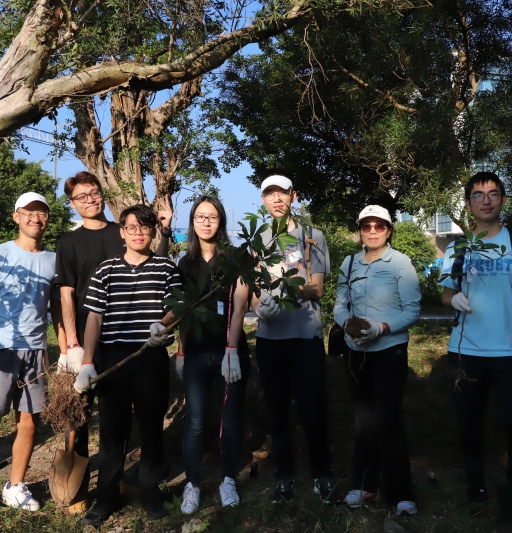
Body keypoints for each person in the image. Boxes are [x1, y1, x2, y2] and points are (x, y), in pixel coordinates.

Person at [439, 172, 512, 504]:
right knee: (469, 422)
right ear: (469, 202)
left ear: (502, 199)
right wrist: (452, 299)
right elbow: (446, 293)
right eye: (477, 194)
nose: (486, 200)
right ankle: (477, 484)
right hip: (466, 349)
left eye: (493, 193)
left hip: (511, 348)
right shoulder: (458, 246)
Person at [73, 204, 181, 527]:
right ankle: (106, 496)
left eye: (144, 228)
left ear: (152, 232)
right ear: (122, 232)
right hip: (113, 359)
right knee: (111, 432)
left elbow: (176, 307)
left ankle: (149, 492)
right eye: (131, 227)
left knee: (151, 428)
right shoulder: (105, 270)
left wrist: (163, 325)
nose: (138, 233)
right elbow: (94, 317)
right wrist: (88, 362)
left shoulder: (166, 267)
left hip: (150, 357)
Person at [0, 192, 63, 530]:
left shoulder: (53, 260)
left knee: (30, 423)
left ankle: (14, 485)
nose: (36, 218)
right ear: (16, 216)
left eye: (42, 213)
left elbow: (58, 308)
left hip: (35, 351)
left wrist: (65, 349)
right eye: (29, 212)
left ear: (47, 219)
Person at [54, 171, 174, 459]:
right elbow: (66, 295)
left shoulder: (121, 230)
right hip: (88, 339)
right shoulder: (68, 242)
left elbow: (151, 264)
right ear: (72, 204)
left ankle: (121, 480)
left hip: (125, 339)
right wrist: (72, 345)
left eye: (94, 192)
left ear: (102, 194)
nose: (90, 200)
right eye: (81, 196)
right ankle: (79, 487)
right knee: (79, 416)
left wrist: (166, 231)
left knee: (116, 416)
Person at [250, 171, 335, 503]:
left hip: (306, 334)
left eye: (282, 193)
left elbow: (317, 287)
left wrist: (285, 289)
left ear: (293, 196)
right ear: (263, 199)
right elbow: (254, 290)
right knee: (277, 410)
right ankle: (284, 476)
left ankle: (322, 474)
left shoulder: (313, 236)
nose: (276, 199)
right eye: (269, 193)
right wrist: (261, 306)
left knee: (313, 407)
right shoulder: (255, 240)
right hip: (271, 338)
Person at [333, 205, 422, 516]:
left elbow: (412, 310)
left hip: (389, 351)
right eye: (366, 226)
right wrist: (346, 324)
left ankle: (400, 494)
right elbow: (340, 302)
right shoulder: (349, 262)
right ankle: (364, 485)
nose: (372, 231)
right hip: (356, 352)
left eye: (379, 226)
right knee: (364, 421)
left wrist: (381, 328)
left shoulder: (401, 263)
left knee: (388, 420)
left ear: (389, 230)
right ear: (359, 229)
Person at [175, 196, 251, 514]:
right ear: (193, 221)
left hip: (229, 353)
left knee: (230, 422)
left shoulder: (234, 259)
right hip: (194, 354)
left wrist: (231, 349)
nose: (206, 222)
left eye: (213, 217)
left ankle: (228, 479)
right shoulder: (184, 262)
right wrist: (180, 351)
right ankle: (192, 485)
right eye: (200, 217)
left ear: (221, 222)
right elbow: (181, 310)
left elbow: (241, 305)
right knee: (194, 423)